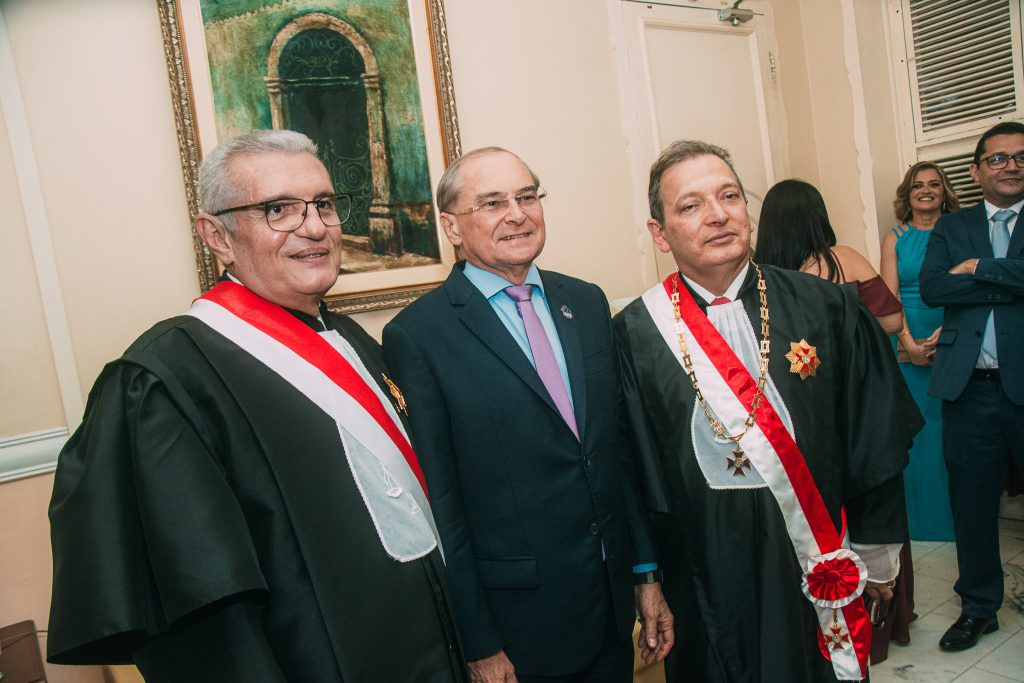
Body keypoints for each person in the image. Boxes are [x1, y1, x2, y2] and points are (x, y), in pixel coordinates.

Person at [47, 130, 468, 683]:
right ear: (216, 235)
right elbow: (206, 618)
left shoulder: (351, 341)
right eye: (278, 210)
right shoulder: (166, 383)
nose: (314, 227)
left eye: (323, 204)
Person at [615, 139, 921, 682]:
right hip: (702, 569)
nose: (717, 215)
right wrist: (648, 578)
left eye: (729, 195)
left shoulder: (826, 306)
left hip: (817, 558)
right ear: (659, 233)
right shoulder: (633, 335)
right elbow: (632, 472)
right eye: (691, 205)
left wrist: (876, 550)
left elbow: (873, 433)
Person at [382, 147, 673, 682]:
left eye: (527, 196)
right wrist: (479, 643)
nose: (517, 214)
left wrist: (645, 573)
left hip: (609, 609)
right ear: (451, 226)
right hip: (518, 628)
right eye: (492, 203)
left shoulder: (585, 303)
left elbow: (615, 454)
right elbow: (442, 504)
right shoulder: (418, 336)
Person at [754, 177, 916, 664]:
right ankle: (881, 617)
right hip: (858, 405)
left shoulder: (763, 277)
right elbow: (890, 319)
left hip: (798, 426)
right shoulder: (841, 257)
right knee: (870, 494)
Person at [920, 120, 1024, 652]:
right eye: (999, 158)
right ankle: (980, 608)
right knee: (973, 506)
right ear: (978, 168)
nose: (1010, 166)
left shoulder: (972, 246)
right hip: (969, 390)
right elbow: (935, 287)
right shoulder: (951, 225)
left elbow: (962, 281)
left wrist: (981, 268)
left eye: (1020, 158)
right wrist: (1012, 278)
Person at [881, 162, 960, 542]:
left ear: (945, 191)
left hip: (958, 334)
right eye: (917, 186)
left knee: (953, 430)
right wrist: (907, 342)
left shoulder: (958, 231)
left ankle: (955, 520)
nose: (926, 191)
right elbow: (889, 295)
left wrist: (949, 333)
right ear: (907, 194)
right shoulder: (894, 237)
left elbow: (967, 286)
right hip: (906, 338)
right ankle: (921, 523)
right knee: (917, 431)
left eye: (934, 184)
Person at [753, 178, 903, 335]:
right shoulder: (843, 259)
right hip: (841, 359)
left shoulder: (758, 278)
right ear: (818, 220)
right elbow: (892, 321)